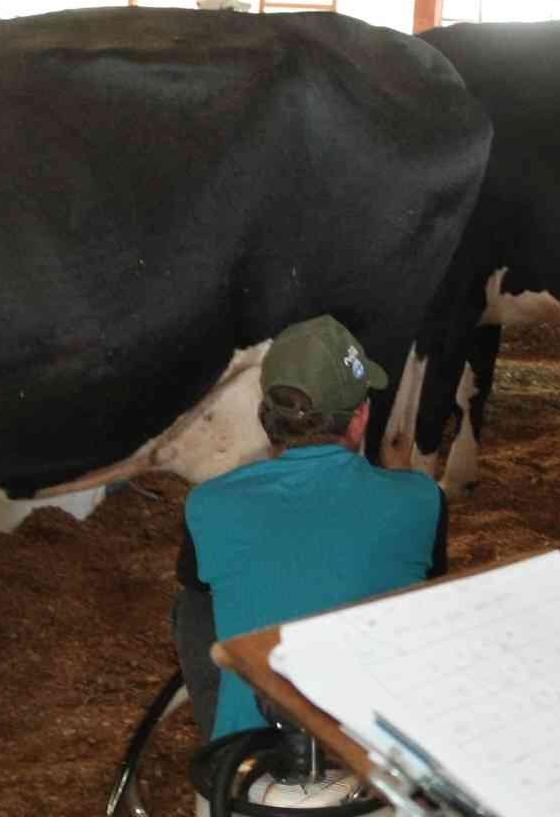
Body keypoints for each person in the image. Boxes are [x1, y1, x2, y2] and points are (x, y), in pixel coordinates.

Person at [176, 315, 446, 738]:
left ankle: (222, 729)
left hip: (253, 755)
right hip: (375, 750)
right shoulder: (421, 499)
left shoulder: (206, 504)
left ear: (265, 416)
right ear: (359, 419)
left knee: (194, 604)